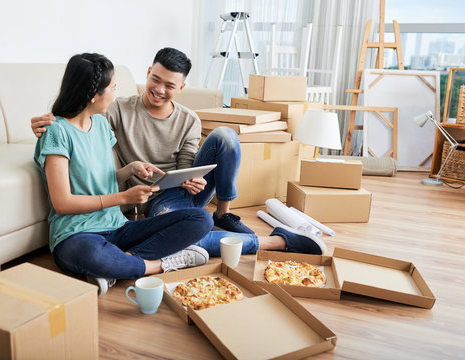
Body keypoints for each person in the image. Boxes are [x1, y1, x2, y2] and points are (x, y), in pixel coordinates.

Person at [32, 47, 326, 258]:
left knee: (225, 135)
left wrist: (191, 180)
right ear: (148, 73)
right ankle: (270, 242)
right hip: (154, 198)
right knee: (188, 232)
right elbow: (79, 117)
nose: (159, 89)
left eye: (169, 85)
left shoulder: (188, 119)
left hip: (180, 191)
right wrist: (48, 120)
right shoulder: (116, 109)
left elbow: (188, 164)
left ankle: (224, 213)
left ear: (181, 87)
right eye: (155, 79)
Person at [34, 53, 213, 296]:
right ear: (93, 94)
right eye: (112, 88)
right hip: (78, 233)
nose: (115, 94)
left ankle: (119, 265)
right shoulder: (56, 132)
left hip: (117, 227)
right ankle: (158, 265)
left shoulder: (99, 124)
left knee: (201, 219)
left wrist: (129, 170)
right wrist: (124, 198)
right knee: (90, 253)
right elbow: (62, 203)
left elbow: (103, 182)